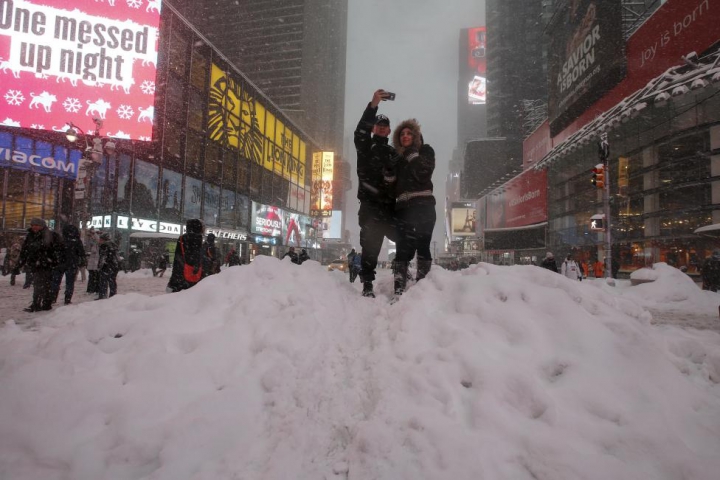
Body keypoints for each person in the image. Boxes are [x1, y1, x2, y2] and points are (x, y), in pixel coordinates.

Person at [354, 89, 400, 298]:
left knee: (405, 239)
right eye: (378, 126)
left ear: (389, 131)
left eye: (385, 127)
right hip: (370, 206)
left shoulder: (393, 153)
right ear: (374, 128)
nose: (381, 129)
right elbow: (360, 131)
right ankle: (367, 285)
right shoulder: (365, 146)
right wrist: (373, 104)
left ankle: (400, 277)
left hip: (389, 208)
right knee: (370, 247)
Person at [386, 119, 436, 297]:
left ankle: (423, 289)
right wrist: (389, 170)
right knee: (402, 248)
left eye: (409, 133)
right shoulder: (398, 158)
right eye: (402, 134)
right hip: (403, 210)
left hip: (424, 207)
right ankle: (399, 289)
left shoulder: (425, 151)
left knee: (423, 245)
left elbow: (423, 173)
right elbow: (391, 188)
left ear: (415, 137)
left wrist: (412, 154)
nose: (405, 136)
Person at [16, 218, 63, 312]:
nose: (34, 227)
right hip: (36, 264)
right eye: (33, 225)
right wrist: (19, 265)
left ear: (42, 226)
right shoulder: (30, 236)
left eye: (37, 225)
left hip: (48, 264)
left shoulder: (51, 235)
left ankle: (43, 304)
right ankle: (40, 304)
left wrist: (54, 260)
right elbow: (24, 252)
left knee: (43, 285)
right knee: (40, 284)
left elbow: (59, 250)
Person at [51, 224, 86, 305]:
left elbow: (54, 251)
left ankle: (53, 297)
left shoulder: (60, 240)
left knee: (56, 282)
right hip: (72, 264)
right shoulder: (77, 241)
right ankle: (67, 299)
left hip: (59, 264)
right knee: (70, 282)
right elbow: (81, 253)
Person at [167, 219, 205, 293]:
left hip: (180, 275)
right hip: (193, 275)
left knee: (178, 298)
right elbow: (197, 258)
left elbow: (177, 258)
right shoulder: (199, 239)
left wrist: (173, 280)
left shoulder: (182, 238)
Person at [96, 232, 120, 300]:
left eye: (100, 239)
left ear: (103, 239)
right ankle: (113, 295)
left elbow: (102, 257)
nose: (99, 241)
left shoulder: (104, 246)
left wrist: (99, 266)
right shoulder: (114, 245)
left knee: (103, 281)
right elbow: (117, 257)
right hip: (114, 265)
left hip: (106, 266)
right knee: (112, 281)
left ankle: (103, 295)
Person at [85, 227, 100, 294]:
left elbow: (97, 239)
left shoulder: (98, 243)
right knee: (92, 276)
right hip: (92, 263)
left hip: (95, 263)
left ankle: (94, 289)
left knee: (95, 277)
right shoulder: (92, 243)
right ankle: (91, 289)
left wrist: (93, 233)